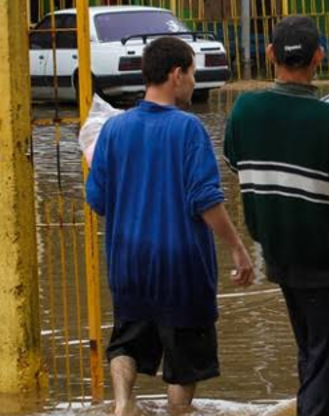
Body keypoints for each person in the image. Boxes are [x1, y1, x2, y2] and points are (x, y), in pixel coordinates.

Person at [86, 36, 255, 416]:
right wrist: (237, 247)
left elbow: (97, 201)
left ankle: (124, 404)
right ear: (176, 74)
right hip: (181, 268)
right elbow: (205, 200)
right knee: (183, 362)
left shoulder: (112, 131)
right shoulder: (188, 129)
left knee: (126, 342)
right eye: (193, 74)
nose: (194, 82)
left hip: (128, 263)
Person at [223, 15, 329, 416]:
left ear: (271, 53)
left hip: (278, 256)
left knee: (312, 351)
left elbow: (239, 165)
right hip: (324, 261)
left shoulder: (244, 109)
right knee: (327, 364)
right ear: (319, 57)